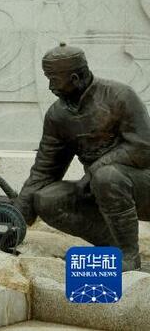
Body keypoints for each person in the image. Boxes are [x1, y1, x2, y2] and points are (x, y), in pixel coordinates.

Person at [14, 43, 150, 272]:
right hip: (99, 189)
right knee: (47, 199)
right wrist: (16, 217)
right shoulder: (58, 115)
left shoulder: (119, 96)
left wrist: (97, 168)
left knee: (107, 176)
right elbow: (44, 170)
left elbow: (144, 148)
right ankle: (114, 248)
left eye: (53, 79)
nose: (49, 86)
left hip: (141, 187)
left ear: (76, 78)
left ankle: (129, 255)